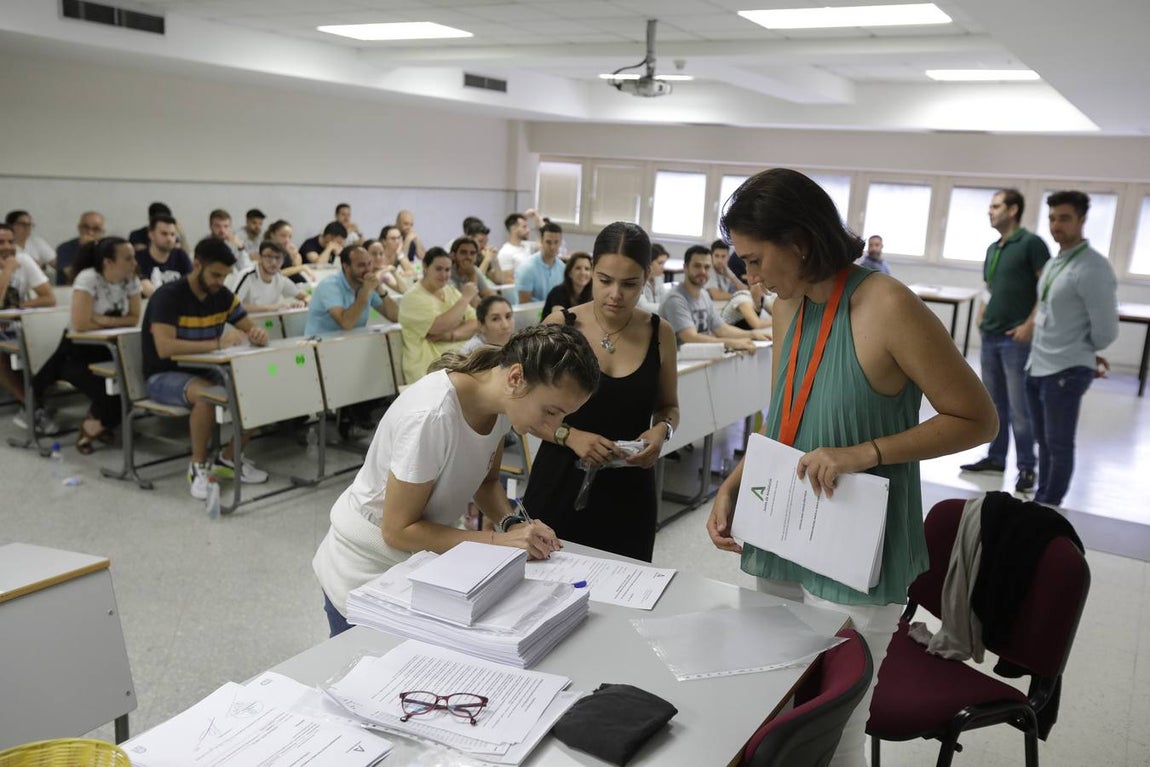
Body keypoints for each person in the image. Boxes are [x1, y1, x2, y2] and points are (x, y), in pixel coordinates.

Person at [705, 168, 997, 767]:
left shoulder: (887, 305)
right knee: (779, 700)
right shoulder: (789, 307)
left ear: (801, 242)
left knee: (833, 730)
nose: (749, 277)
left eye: (756, 260)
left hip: (855, 542)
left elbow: (977, 419)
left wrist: (865, 454)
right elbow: (786, 412)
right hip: (786, 526)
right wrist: (737, 480)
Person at [311, 323, 599, 636]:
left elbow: (486, 483)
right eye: (552, 411)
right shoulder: (431, 416)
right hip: (365, 570)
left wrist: (512, 523)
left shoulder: (501, 404)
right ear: (516, 378)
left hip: (416, 560)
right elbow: (398, 530)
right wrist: (501, 543)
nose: (553, 425)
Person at [524, 222, 680, 562]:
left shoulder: (659, 333)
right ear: (590, 272)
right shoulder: (560, 325)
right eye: (605, 281)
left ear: (646, 280)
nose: (615, 295)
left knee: (626, 591)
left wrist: (662, 430)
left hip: (629, 489)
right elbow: (523, 413)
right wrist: (570, 435)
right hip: (559, 482)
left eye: (629, 284)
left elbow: (669, 407)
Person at [141, 238, 271, 499]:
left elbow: (249, 325)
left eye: (224, 276)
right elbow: (165, 347)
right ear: (197, 264)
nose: (219, 281)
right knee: (207, 396)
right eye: (215, 274)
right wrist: (216, 343)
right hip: (163, 375)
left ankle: (228, 459)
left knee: (256, 390)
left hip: (205, 370)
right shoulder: (167, 296)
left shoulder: (221, 296)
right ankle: (198, 466)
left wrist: (257, 333)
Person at [1026, 191, 1119, 509]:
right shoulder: (1056, 261)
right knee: (1044, 442)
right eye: (1052, 218)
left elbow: (1106, 331)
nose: (1056, 225)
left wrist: (1083, 350)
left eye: (1064, 218)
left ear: (1081, 220)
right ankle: (1041, 497)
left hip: (1066, 369)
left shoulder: (1093, 268)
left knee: (1058, 443)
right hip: (1038, 365)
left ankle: (1049, 505)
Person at [960, 189, 1051, 494]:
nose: (990, 211)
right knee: (995, 403)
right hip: (991, 336)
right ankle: (996, 457)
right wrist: (983, 313)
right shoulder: (993, 248)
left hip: (1016, 339)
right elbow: (990, 285)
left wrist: (1030, 325)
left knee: (1019, 405)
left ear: (1013, 210)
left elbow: (1047, 290)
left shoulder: (1031, 244)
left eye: (996, 206)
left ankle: (1027, 467)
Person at [30, 237, 140, 453]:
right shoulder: (88, 278)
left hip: (109, 350)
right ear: (109, 262)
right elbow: (81, 324)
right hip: (75, 353)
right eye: (128, 258)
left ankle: (97, 424)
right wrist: (109, 321)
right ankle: (93, 428)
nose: (134, 263)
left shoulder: (130, 279)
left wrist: (101, 320)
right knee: (109, 394)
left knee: (129, 387)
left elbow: (134, 318)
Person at [0, 223, 58, 432]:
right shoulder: (12, 265)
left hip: (15, 326)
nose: (7, 247)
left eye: (10, 242)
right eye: (1, 243)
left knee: (51, 343)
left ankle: (32, 403)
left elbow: (49, 298)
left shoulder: (23, 260)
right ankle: (30, 404)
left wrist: (20, 305)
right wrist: (7, 272)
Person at [659, 245, 768, 350]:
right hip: (677, 362)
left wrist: (752, 334)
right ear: (685, 268)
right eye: (697, 266)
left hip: (699, 356)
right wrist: (730, 343)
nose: (702, 271)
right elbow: (690, 338)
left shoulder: (704, 295)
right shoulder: (675, 299)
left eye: (707, 267)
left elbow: (721, 329)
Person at [398, 247, 478, 384]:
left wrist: (450, 335)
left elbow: (476, 323)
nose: (444, 275)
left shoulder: (450, 291)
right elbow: (438, 327)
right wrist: (465, 299)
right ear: (425, 267)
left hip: (457, 362)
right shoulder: (412, 297)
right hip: (428, 370)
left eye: (447, 270)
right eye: (438, 269)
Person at [304, 244, 393, 335]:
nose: (367, 270)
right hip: (321, 344)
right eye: (361, 265)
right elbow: (346, 324)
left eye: (369, 264)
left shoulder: (365, 283)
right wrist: (365, 293)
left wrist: (380, 290)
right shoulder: (330, 285)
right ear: (346, 267)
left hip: (352, 342)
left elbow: (396, 317)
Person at [225, 240, 309, 312]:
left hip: (269, 323)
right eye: (269, 257)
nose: (274, 262)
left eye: (278, 258)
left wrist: (303, 302)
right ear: (260, 257)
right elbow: (232, 305)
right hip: (245, 325)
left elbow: (305, 296)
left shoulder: (279, 278)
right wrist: (269, 308)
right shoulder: (247, 275)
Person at [136, 215, 193, 299]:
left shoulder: (181, 256)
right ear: (151, 235)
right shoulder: (138, 258)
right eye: (164, 234)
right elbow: (146, 288)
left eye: (172, 234)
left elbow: (192, 284)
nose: (169, 239)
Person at [516, 222, 565, 303]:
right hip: (532, 314)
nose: (552, 247)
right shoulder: (527, 268)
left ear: (560, 242)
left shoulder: (562, 268)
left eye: (556, 242)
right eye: (548, 242)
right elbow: (524, 304)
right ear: (541, 241)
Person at [56, 211, 106, 286]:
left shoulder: (110, 248)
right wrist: (85, 249)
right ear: (79, 228)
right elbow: (73, 276)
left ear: (103, 232)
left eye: (96, 229)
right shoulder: (64, 248)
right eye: (86, 227)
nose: (90, 232)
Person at [541, 251, 592, 318]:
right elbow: (559, 320)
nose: (583, 272)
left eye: (587, 269)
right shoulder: (558, 292)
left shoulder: (592, 294)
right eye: (578, 268)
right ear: (569, 273)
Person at [6, 210, 56, 276]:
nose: (28, 228)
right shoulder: (4, 245)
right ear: (11, 225)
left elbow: (56, 263)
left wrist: (43, 266)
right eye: (23, 224)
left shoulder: (37, 242)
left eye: (29, 225)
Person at [265, 219, 315, 283]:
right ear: (272, 235)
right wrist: (302, 268)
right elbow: (275, 275)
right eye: (283, 236)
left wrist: (295, 255)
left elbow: (295, 268)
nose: (287, 240)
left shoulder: (284, 250)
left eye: (290, 237)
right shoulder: (268, 251)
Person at [495, 211, 541, 282]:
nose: (528, 230)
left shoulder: (527, 245)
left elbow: (546, 241)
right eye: (524, 227)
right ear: (514, 229)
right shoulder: (505, 252)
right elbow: (508, 280)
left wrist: (537, 218)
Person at [449, 236, 494, 305]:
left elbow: (488, 295)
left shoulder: (474, 269)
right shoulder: (446, 273)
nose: (468, 257)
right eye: (463, 253)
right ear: (453, 255)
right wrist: (472, 276)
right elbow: (468, 304)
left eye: (472, 253)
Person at [638, 244, 669, 312]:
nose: (663, 267)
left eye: (664, 263)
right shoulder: (638, 279)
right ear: (648, 262)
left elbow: (665, 299)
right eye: (660, 263)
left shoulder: (658, 278)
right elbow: (643, 307)